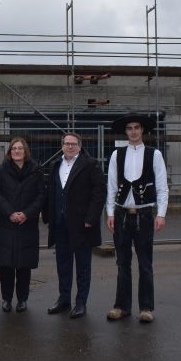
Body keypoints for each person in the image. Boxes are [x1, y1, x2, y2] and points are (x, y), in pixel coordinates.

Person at [105, 112, 168, 323]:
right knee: (122, 263)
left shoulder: (154, 154)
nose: (133, 131)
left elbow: (162, 187)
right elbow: (112, 186)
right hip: (122, 214)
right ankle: (121, 306)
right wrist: (110, 213)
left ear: (142, 130)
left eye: (137, 128)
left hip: (145, 215)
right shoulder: (117, 155)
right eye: (130, 128)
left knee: (145, 264)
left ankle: (146, 308)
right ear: (126, 131)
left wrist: (161, 214)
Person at [44, 132, 107, 319]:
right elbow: (51, 193)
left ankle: (81, 302)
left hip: (82, 224)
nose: (70, 146)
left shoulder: (90, 164)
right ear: (62, 145)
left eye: (73, 144)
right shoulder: (55, 164)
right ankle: (64, 299)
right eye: (66, 143)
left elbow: (99, 192)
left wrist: (91, 218)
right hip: (60, 223)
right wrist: (48, 217)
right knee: (63, 264)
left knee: (82, 266)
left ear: (80, 146)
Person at [0, 138, 47, 313]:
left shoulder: (36, 171)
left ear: (25, 151)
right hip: (5, 223)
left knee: (24, 264)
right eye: (14, 148)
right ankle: (6, 299)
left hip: (26, 224)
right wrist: (11, 213)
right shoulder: (1, 169)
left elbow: (41, 195)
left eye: (20, 148)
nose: (17, 151)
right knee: (6, 264)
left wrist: (27, 214)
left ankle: (22, 299)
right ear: (9, 151)